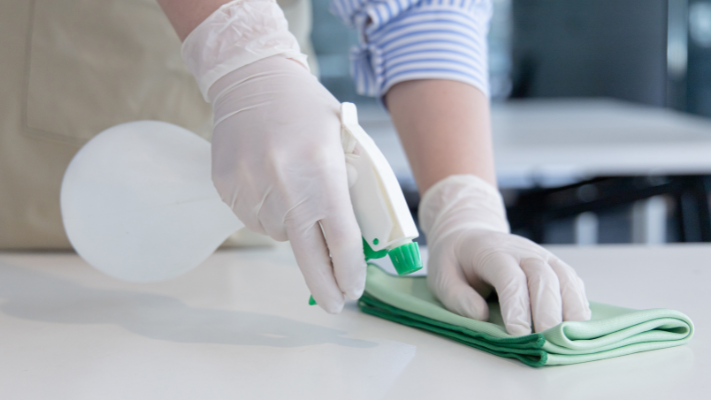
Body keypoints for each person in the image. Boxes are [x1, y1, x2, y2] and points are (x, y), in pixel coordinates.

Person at [156, 0, 591, 336]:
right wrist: (244, 59)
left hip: (268, 233)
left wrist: (464, 203)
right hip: (106, 151)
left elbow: (417, 9)